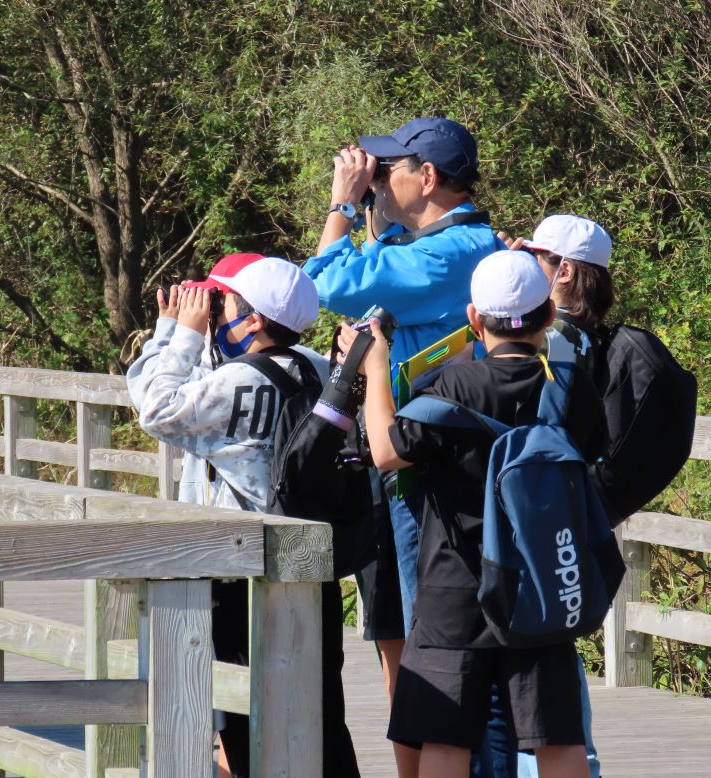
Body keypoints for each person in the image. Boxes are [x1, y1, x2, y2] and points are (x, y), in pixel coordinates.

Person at [340, 249, 606, 778]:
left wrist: (374, 366)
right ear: (548, 317)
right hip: (539, 582)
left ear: (473, 319)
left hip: (453, 585)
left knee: (446, 736)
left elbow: (388, 451)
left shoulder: (454, 387)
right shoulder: (568, 388)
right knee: (557, 735)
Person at [304, 116, 505, 777]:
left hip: (427, 467)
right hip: (411, 458)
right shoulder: (435, 245)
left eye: (391, 168)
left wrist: (340, 203)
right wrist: (373, 208)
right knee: (416, 633)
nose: (377, 177)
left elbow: (325, 287)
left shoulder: (449, 255)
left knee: (436, 637)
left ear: (427, 177)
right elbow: (370, 262)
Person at [125, 252, 359, 778]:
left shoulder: (234, 383)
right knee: (321, 715)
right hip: (311, 565)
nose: (214, 310)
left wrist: (176, 333)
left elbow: (156, 409)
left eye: (224, 302)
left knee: (247, 716)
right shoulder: (321, 371)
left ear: (252, 318)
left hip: (240, 570)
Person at [501, 214, 615, 778]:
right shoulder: (587, 333)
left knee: (544, 650)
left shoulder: (559, 338)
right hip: (562, 506)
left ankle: (573, 766)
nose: (523, 267)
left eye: (534, 259)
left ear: (563, 271)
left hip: (538, 508)